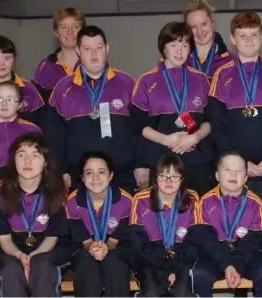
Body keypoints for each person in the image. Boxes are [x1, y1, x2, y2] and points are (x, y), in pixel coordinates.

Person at [206, 12, 262, 200]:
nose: (249, 40)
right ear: (232, 39)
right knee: (236, 226)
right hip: (234, 171)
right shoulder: (221, 76)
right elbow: (217, 125)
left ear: (261, 37)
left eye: (253, 34)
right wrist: (241, 162)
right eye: (242, 35)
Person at [48, 25, 140, 193]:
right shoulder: (62, 89)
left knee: (123, 218)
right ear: (78, 51)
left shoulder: (127, 83)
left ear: (107, 49)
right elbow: (55, 135)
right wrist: (61, 170)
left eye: (99, 48)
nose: (94, 54)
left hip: (122, 172)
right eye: (87, 48)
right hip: (78, 175)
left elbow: (139, 129)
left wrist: (141, 165)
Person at [131, 21, 215, 196]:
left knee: (198, 216)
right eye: (174, 44)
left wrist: (195, 138)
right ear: (164, 48)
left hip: (198, 161)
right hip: (161, 162)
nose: (179, 51)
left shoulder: (202, 80)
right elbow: (137, 125)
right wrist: (166, 140)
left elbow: (211, 121)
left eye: (184, 45)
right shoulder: (146, 81)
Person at [0, 132, 72, 297]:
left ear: (45, 161)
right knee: (11, 270)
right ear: (13, 160)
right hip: (11, 249)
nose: (27, 161)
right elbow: (4, 240)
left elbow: (52, 237)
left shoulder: (57, 190)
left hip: (48, 249)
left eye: (35, 155)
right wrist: (20, 255)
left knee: (41, 266)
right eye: (21, 155)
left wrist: (32, 257)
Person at [189, 152, 262, 297]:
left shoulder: (255, 202)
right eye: (227, 170)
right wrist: (227, 265)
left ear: (246, 178)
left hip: (246, 254)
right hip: (215, 255)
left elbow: (254, 240)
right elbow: (206, 241)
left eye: (239, 171)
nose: (233, 175)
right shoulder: (204, 202)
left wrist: (237, 265)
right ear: (217, 176)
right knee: (199, 274)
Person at [64, 151, 134, 296]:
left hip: (117, 248)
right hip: (85, 248)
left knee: (114, 264)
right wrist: (93, 248)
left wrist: (107, 248)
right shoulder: (72, 201)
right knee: (87, 265)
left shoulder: (126, 200)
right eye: (89, 173)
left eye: (101, 172)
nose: (95, 178)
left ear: (111, 175)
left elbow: (118, 237)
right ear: (82, 178)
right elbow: (81, 237)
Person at [130, 155, 197, 297]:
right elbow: (138, 243)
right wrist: (164, 267)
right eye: (163, 176)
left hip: (181, 260)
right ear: (155, 179)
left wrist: (175, 268)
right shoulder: (140, 199)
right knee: (152, 292)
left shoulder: (192, 199)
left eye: (174, 176)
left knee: (182, 292)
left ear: (182, 179)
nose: (168, 181)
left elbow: (194, 242)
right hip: (149, 260)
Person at [31, 6, 85, 101]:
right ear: (56, 33)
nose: (70, 32)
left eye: (75, 27)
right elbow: (35, 105)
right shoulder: (45, 67)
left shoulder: (93, 63)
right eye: (64, 27)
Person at [184, 0, 234, 78]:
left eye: (204, 24)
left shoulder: (232, 61)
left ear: (212, 22)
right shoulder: (180, 62)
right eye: (193, 27)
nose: (199, 31)